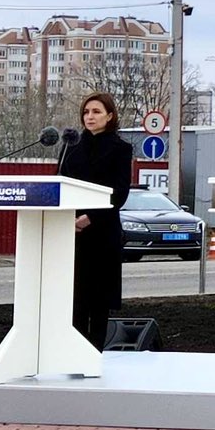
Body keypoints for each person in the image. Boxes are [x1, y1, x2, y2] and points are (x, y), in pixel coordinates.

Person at [58, 91, 133, 352]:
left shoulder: (121, 149)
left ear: (109, 116)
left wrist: (90, 218)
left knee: (99, 300)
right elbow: (60, 184)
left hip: (102, 232)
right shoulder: (71, 147)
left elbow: (119, 192)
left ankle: (94, 353)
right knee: (76, 298)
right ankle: (74, 352)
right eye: (86, 112)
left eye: (96, 112)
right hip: (72, 231)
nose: (89, 117)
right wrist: (68, 217)